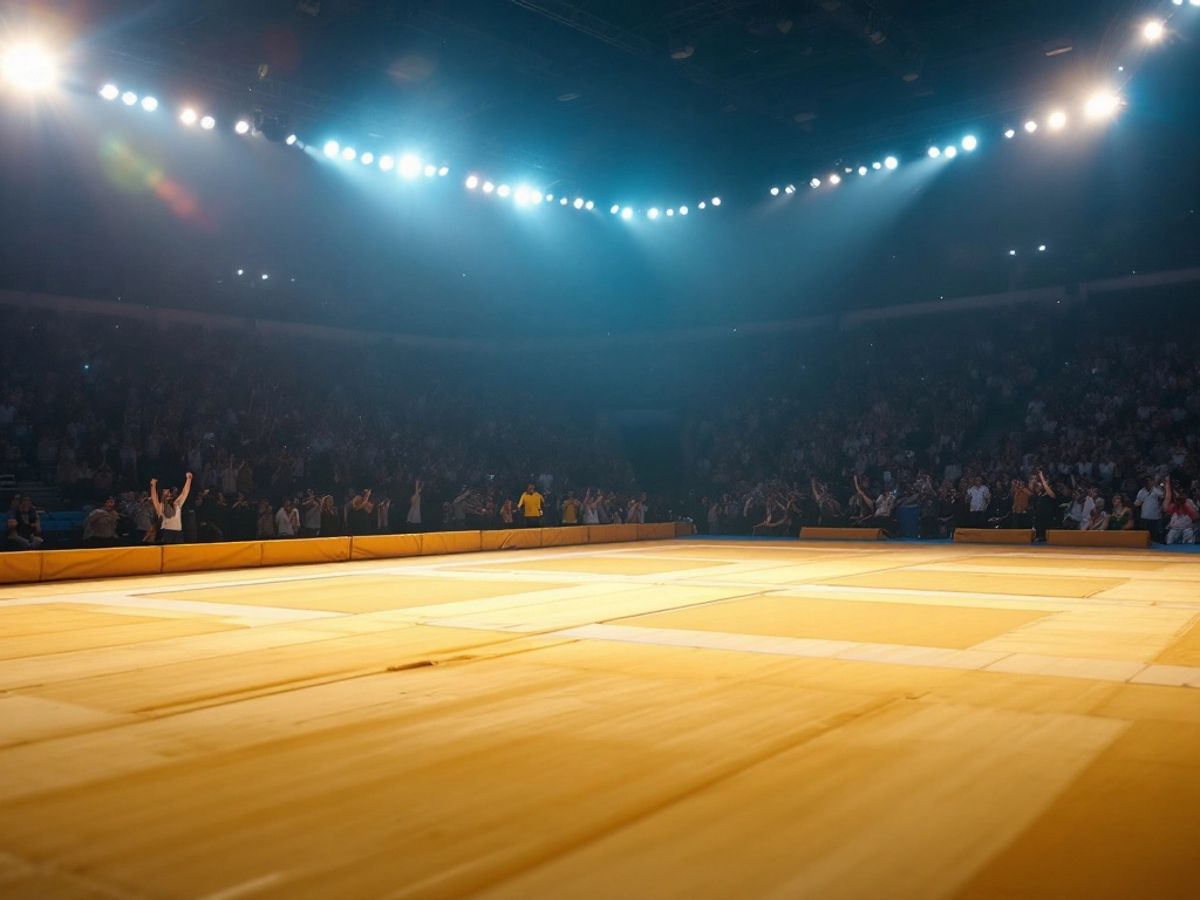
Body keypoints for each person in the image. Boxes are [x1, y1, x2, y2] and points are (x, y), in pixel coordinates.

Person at [150, 472, 192, 544]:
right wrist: (153, 485)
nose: (167, 494)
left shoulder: (176, 504)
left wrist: (189, 479)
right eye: (165, 492)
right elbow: (154, 499)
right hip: (166, 532)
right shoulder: (161, 506)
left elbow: (184, 493)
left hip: (178, 533)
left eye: (168, 492)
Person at [1163, 479, 1197, 545]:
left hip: (1187, 529)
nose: (1180, 495)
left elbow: (1195, 516)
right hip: (1174, 529)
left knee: (1189, 546)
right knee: (1169, 544)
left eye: (1182, 494)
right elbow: (1167, 498)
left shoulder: (1189, 502)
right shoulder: (1173, 504)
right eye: (1179, 494)